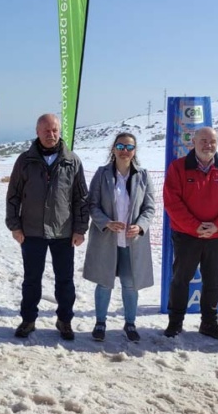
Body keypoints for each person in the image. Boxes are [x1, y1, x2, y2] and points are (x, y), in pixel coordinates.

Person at [6, 114, 89, 340]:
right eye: (46, 131)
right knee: (31, 279)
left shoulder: (72, 161)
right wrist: (15, 226)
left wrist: (80, 229)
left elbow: (81, 198)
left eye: (54, 130)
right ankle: (28, 320)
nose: (51, 135)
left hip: (64, 232)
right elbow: (13, 196)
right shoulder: (25, 160)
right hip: (31, 231)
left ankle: (64, 320)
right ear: (37, 132)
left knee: (65, 280)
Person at [162, 126, 218, 341]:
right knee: (181, 279)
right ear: (193, 143)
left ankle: (209, 323)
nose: (208, 145)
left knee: (213, 280)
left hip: (217, 237)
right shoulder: (178, 167)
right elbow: (172, 202)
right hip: (187, 235)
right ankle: (175, 322)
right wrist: (194, 226)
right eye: (203, 141)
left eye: (212, 141)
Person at [83, 133, 155, 343]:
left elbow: (150, 207)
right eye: (121, 146)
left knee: (130, 284)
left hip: (132, 242)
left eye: (129, 147)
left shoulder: (143, 175)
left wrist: (140, 226)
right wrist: (105, 222)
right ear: (113, 149)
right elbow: (92, 204)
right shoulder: (101, 173)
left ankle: (130, 323)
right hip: (107, 240)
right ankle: (100, 323)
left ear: (134, 151)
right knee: (104, 283)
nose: (125, 150)